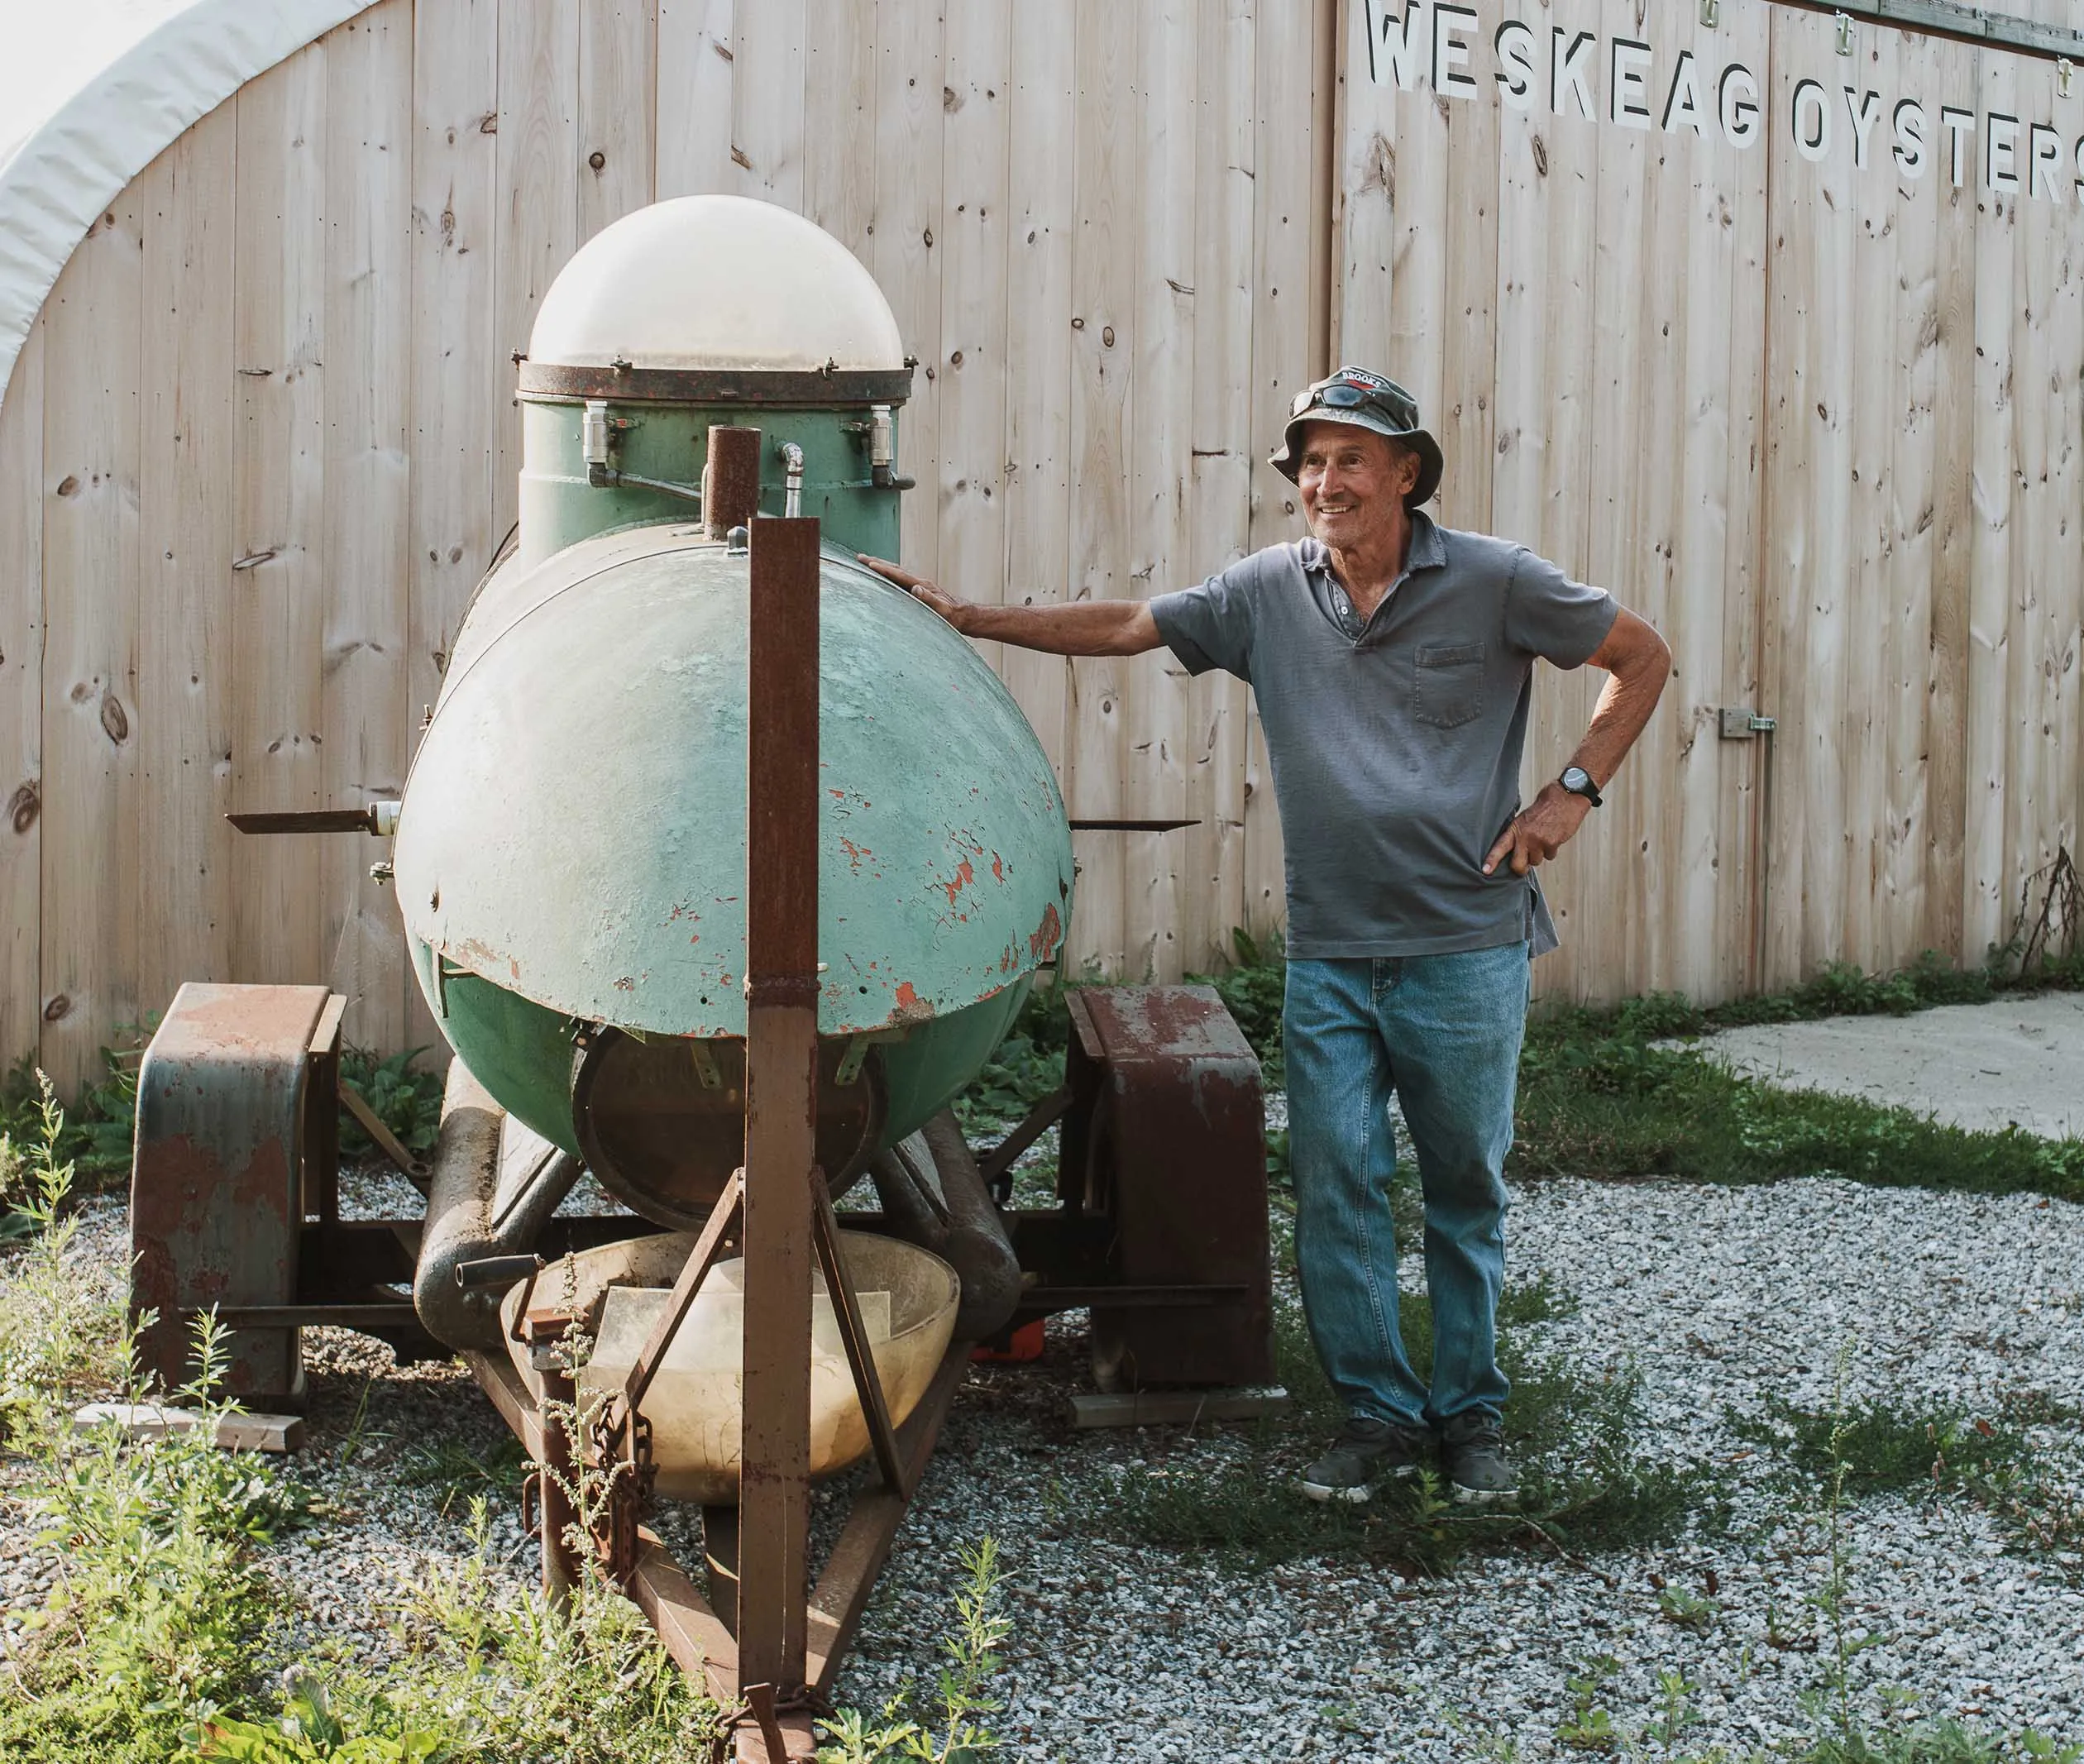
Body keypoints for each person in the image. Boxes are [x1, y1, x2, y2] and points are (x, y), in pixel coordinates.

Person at [859, 366, 1671, 1506]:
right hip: (1332, 959)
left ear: (1406, 474)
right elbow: (1132, 625)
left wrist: (1572, 791)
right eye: (1310, 462)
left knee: (1462, 1188)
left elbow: (1641, 657)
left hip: (1465, 950)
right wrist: (969, 617)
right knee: (1337, 1185)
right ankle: (1378, 1419)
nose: (1326, 482)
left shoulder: (1495, 581)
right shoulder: (1268, 594)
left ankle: (1471, 1418)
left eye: (1352, 459)